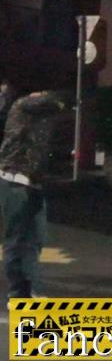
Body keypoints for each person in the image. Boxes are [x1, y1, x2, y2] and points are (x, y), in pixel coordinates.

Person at [0, 91, 65, 303]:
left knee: (35, 240)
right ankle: (18, 293)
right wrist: (55, 99)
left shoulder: (41, 123)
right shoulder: (21, 106)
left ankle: (32, 290)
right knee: (16, 241)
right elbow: (47, 101)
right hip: (14, 182)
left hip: (33, 185)